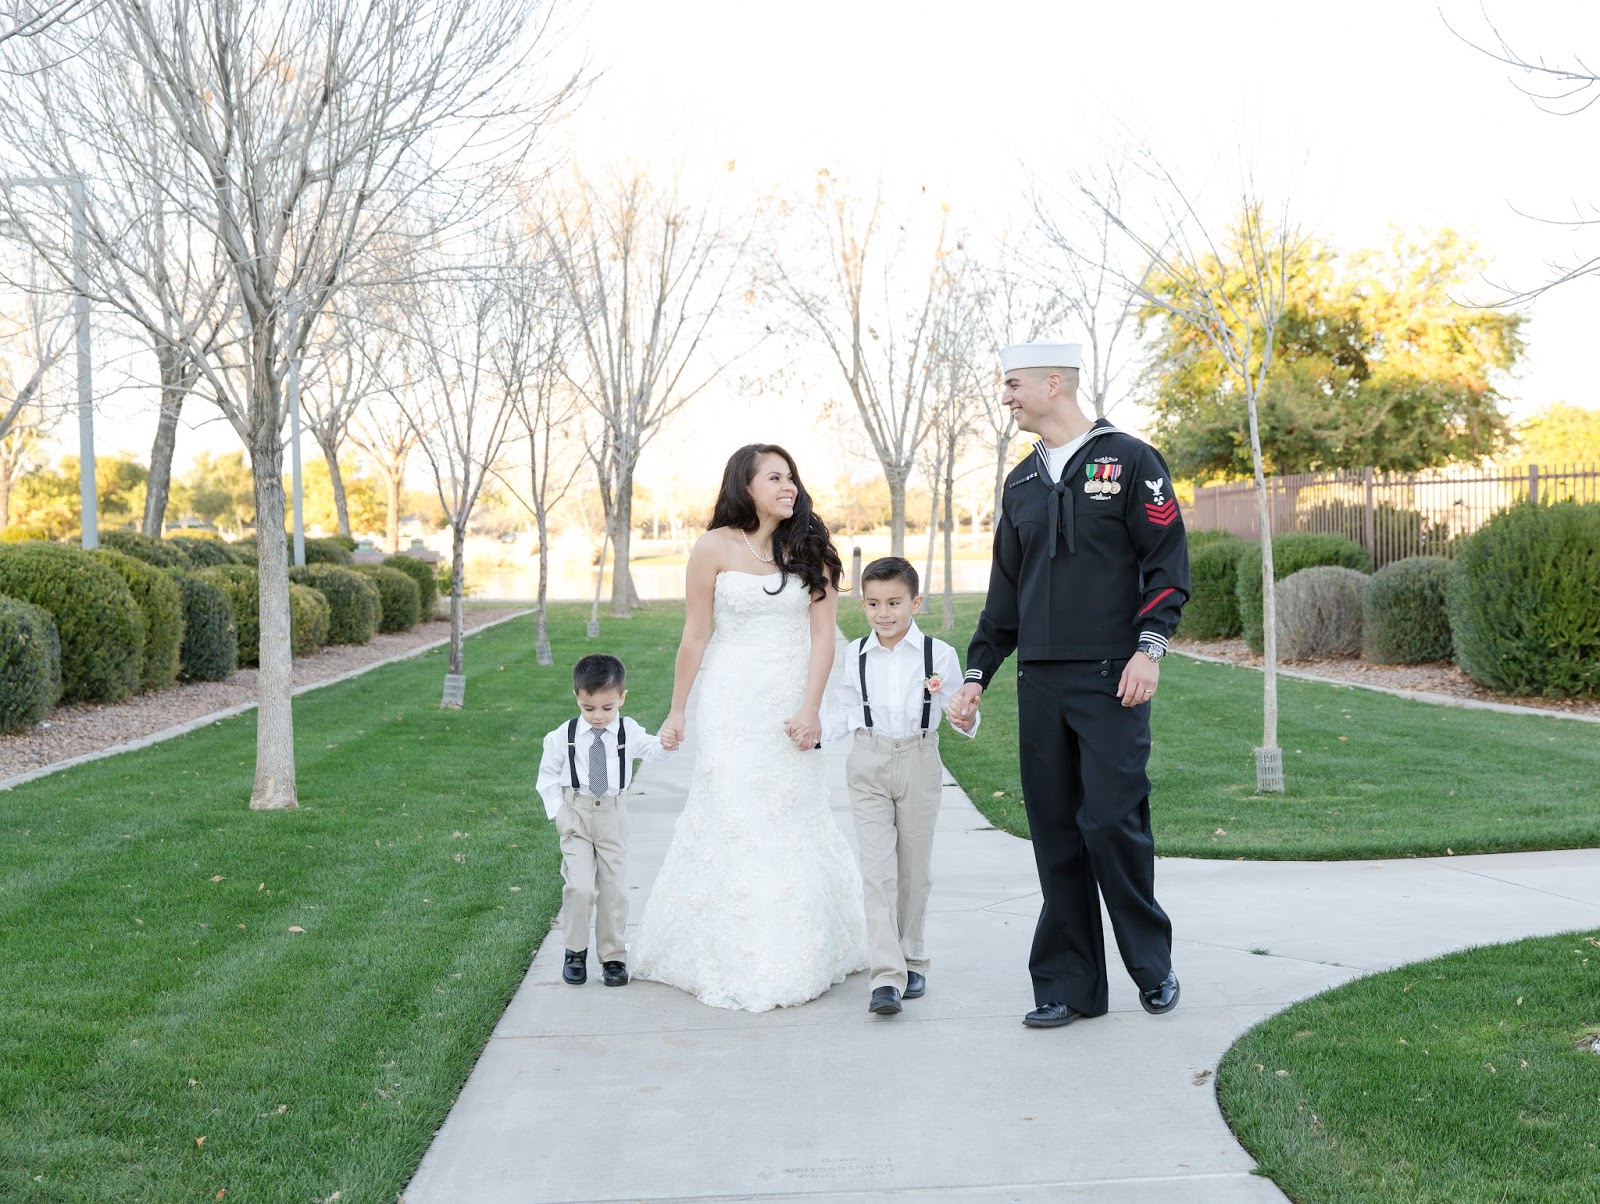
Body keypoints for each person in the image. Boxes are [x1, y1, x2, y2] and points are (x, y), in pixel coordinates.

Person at [949, 340, 1190, 1029]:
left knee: (1112, 822)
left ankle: (1152, 965)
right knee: (1055, 832)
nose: (1006, 397)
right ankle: (1067, 986)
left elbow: (1167, 564)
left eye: (1013, 384)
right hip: (1041, 685)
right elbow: (1005, 593)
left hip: (1116, 680)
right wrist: (976, 675)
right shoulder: (1021, 482)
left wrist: (1151, 649)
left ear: (1054, 384)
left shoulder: (1131, 460)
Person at [629, 444, 867, 1012]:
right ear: (746, 484)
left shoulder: (811, 551)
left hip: (790, 699)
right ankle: (720, 949)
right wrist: (678, 709)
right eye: (775, 477)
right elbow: (695, 635)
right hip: (730, 701)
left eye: (792, 477)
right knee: (730, 812)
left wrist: (811, 709)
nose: (789, 486)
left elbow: (824, 638)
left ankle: (799, 946)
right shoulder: (712, 548)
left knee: (790, 812)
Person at [823, 556, 978, 1016]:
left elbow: (960, 706)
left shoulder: (939, 654)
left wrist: (964, 716)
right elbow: (847, 708)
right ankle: (885, 977)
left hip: (919, 758)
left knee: (913, 872)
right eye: (873, 604)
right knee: (877, 872)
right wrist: (814, 734)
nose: (883, 613)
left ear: (916, 602)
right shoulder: (855, 654)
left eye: (894, 602)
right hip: (868, 758)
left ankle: (913, 960)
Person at [535, 653, 677, 988]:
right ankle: (575, 951)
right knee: (580, 886)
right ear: (577, 698)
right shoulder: (562, 735)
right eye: (589, 708)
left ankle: (613, 957)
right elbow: (547, 778)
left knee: (613, 888)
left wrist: (667, 743)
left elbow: (654, 749)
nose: (598, 716)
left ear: (622, 698)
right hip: (577, 815)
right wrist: (560, 812)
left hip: (613, 814)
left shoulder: (628, 729)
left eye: (607, 708)